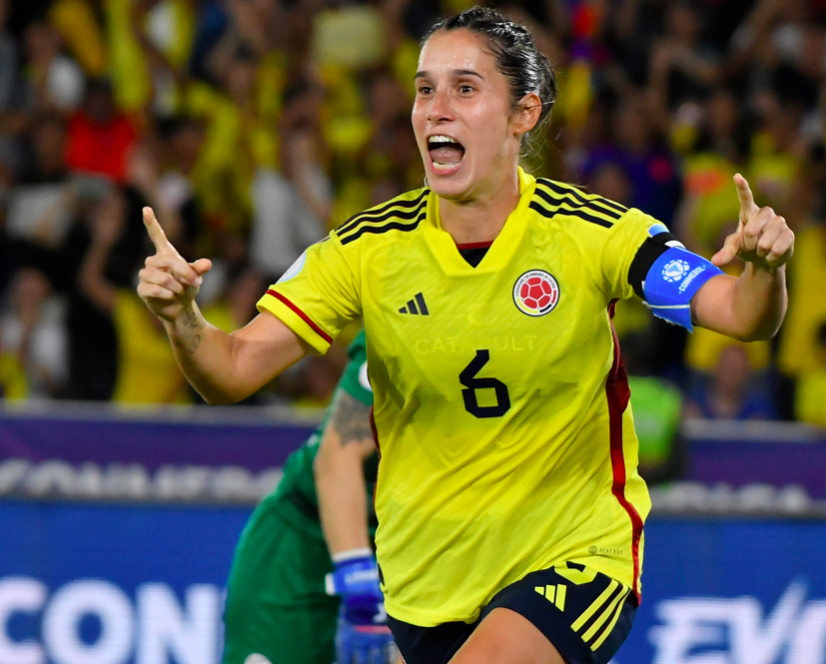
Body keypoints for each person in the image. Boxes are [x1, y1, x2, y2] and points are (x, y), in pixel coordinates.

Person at [137, 8, 793, 664]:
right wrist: (182, 319)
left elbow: (738, 313)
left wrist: (764, 271)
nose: (436, 109)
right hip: (426, 586)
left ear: (523, 114)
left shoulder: (593, 233)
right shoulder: (366, 251)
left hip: (573, 559)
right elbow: (229, 371)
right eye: (425, 90)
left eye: (465, 88)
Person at [222, 330, 397, 664]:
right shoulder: (403, 322)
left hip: (413, 546)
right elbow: (337, 458)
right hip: (302, 539)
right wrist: (358, 576)